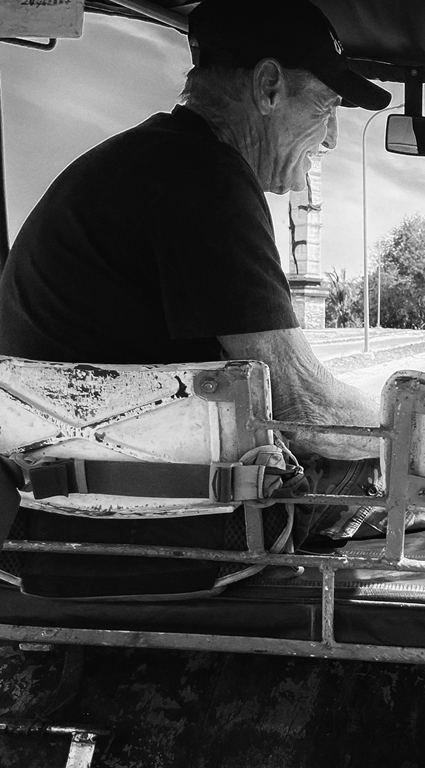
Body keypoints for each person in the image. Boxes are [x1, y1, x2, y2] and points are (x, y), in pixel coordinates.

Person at [0, 0, 393, 597]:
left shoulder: (136, 162)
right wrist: (424, 430)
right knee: (383, 462)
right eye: (327, 107)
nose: (333, 137)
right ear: (269, 86)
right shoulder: (208, 178)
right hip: (191, 542)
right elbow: (304, 406)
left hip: (46, 535)